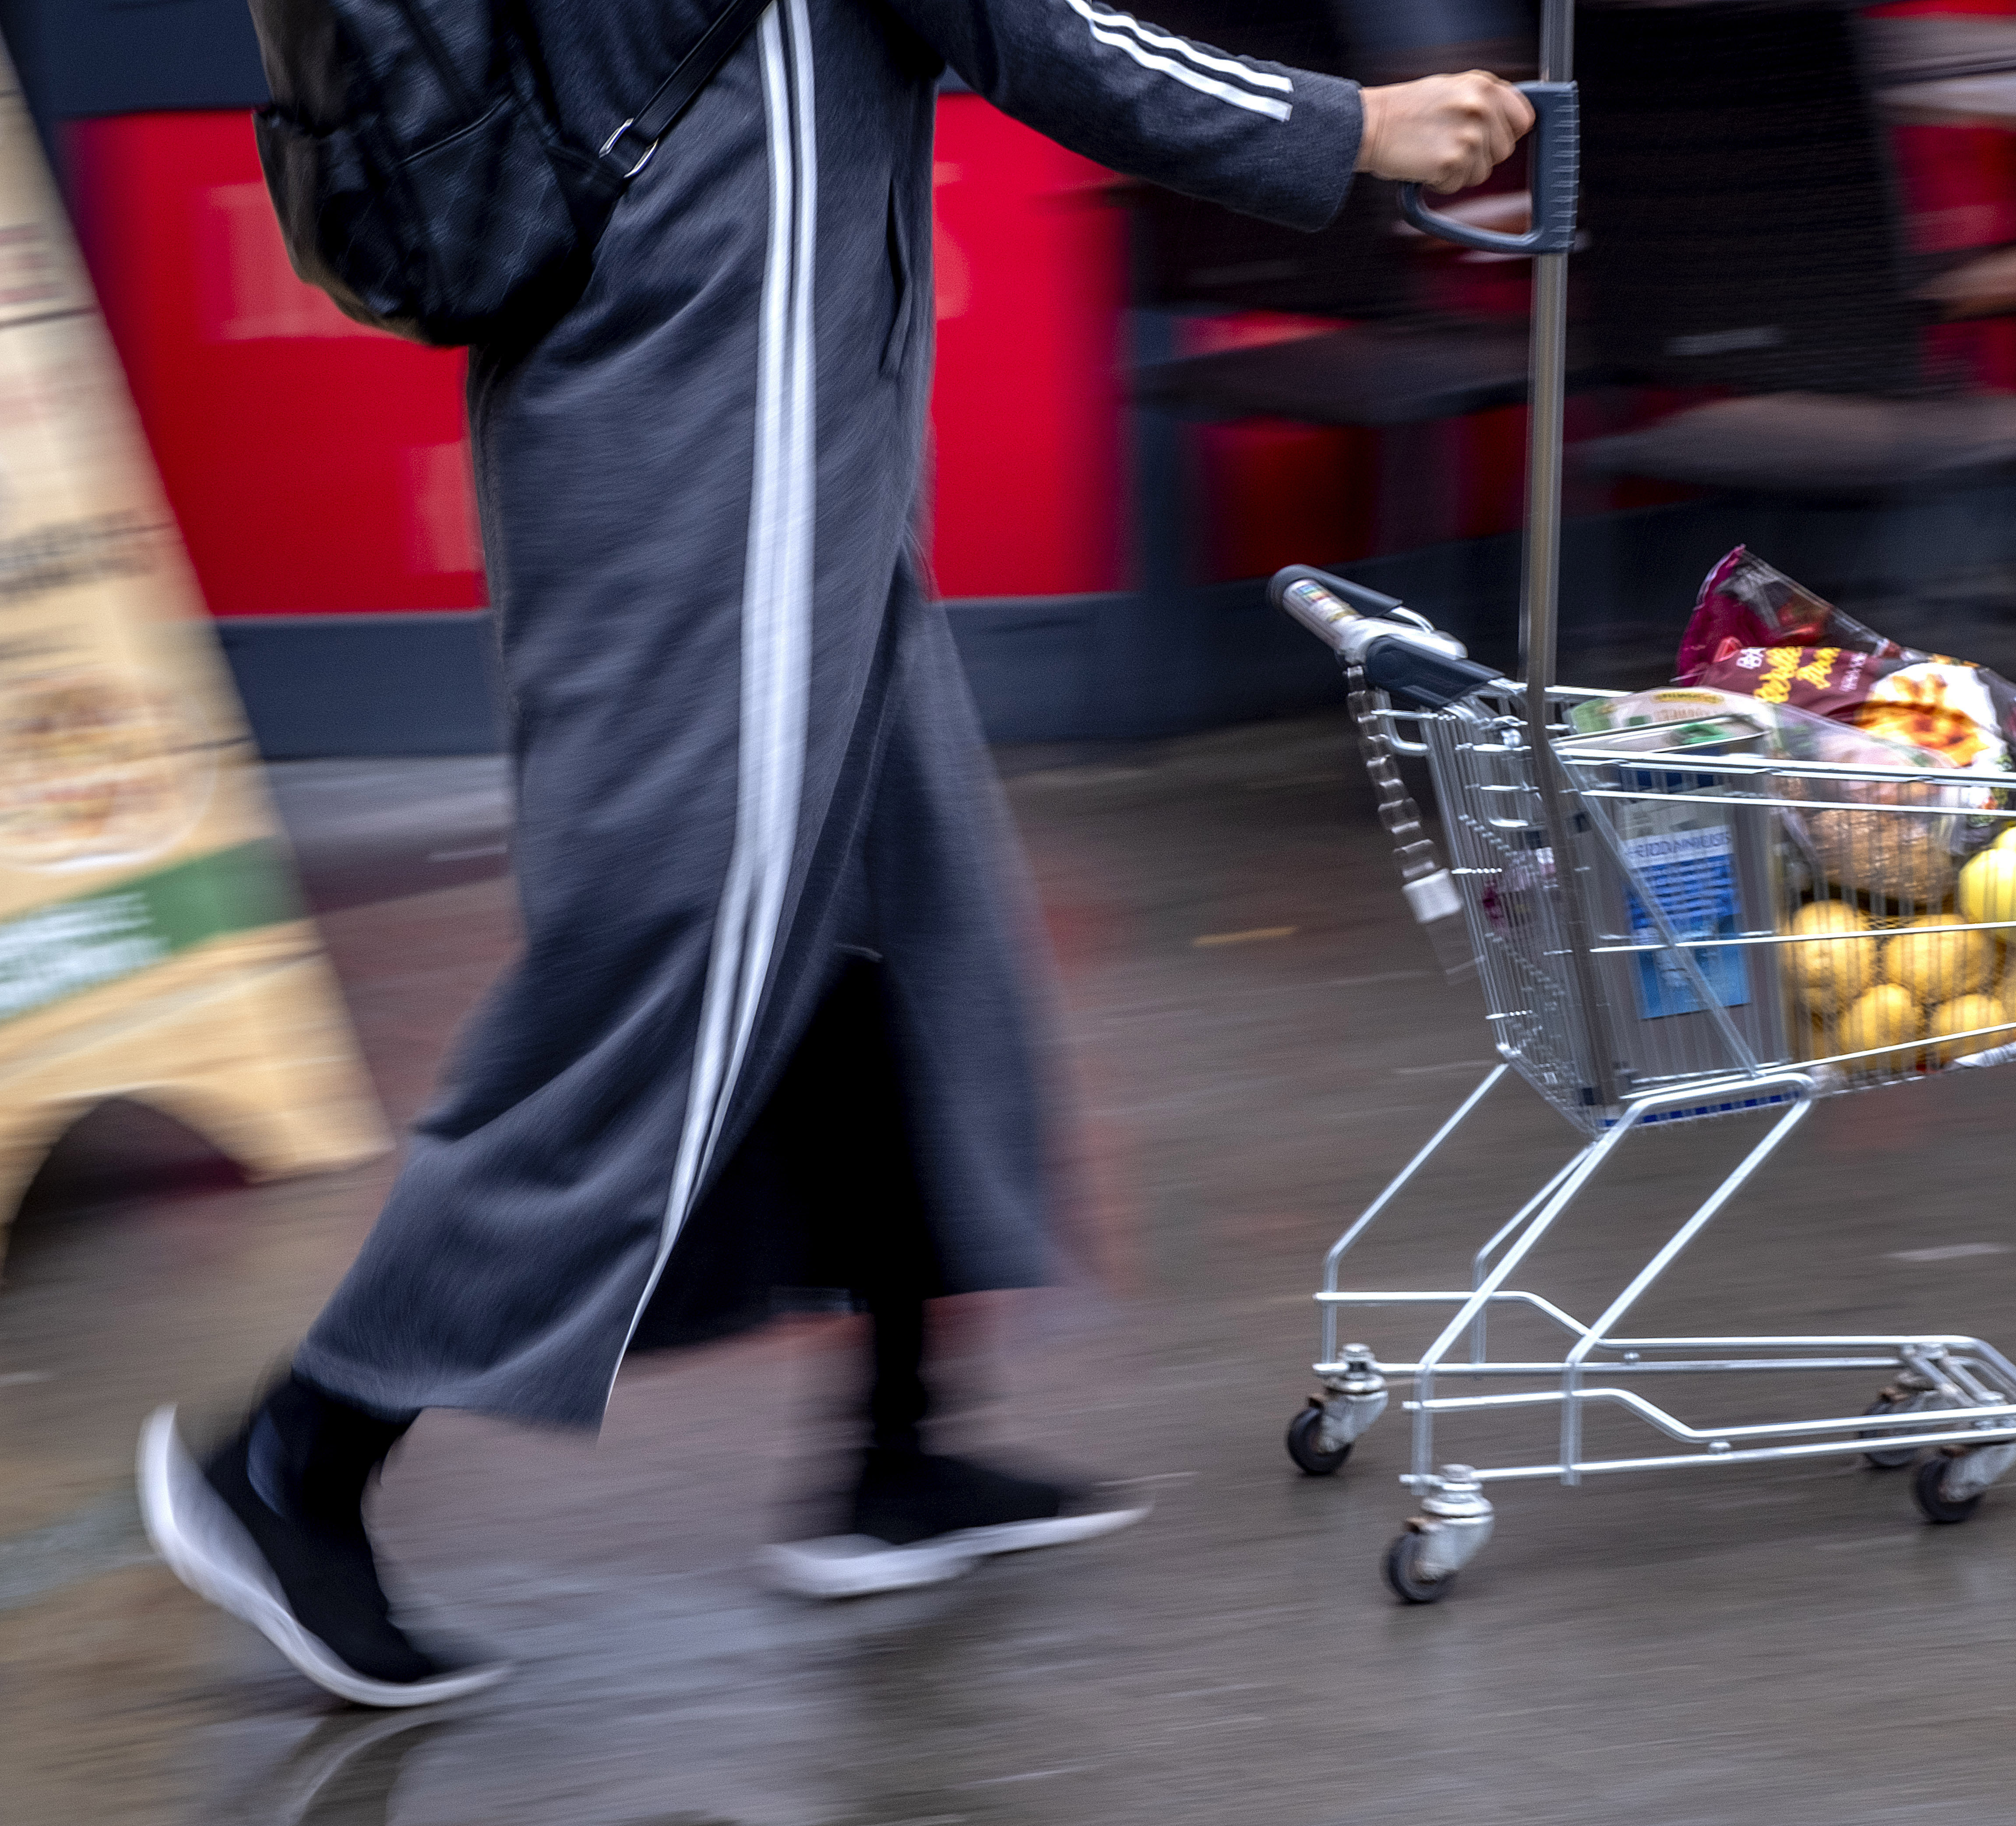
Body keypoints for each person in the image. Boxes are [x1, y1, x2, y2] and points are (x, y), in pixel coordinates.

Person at [139, 0, 1533, 1708]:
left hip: (738, 387)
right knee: (682, 954)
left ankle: (897, 1450)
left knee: (889, 893)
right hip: (707, 408)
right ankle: (301, 1451)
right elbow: (1026, 25)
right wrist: (1352, 130)